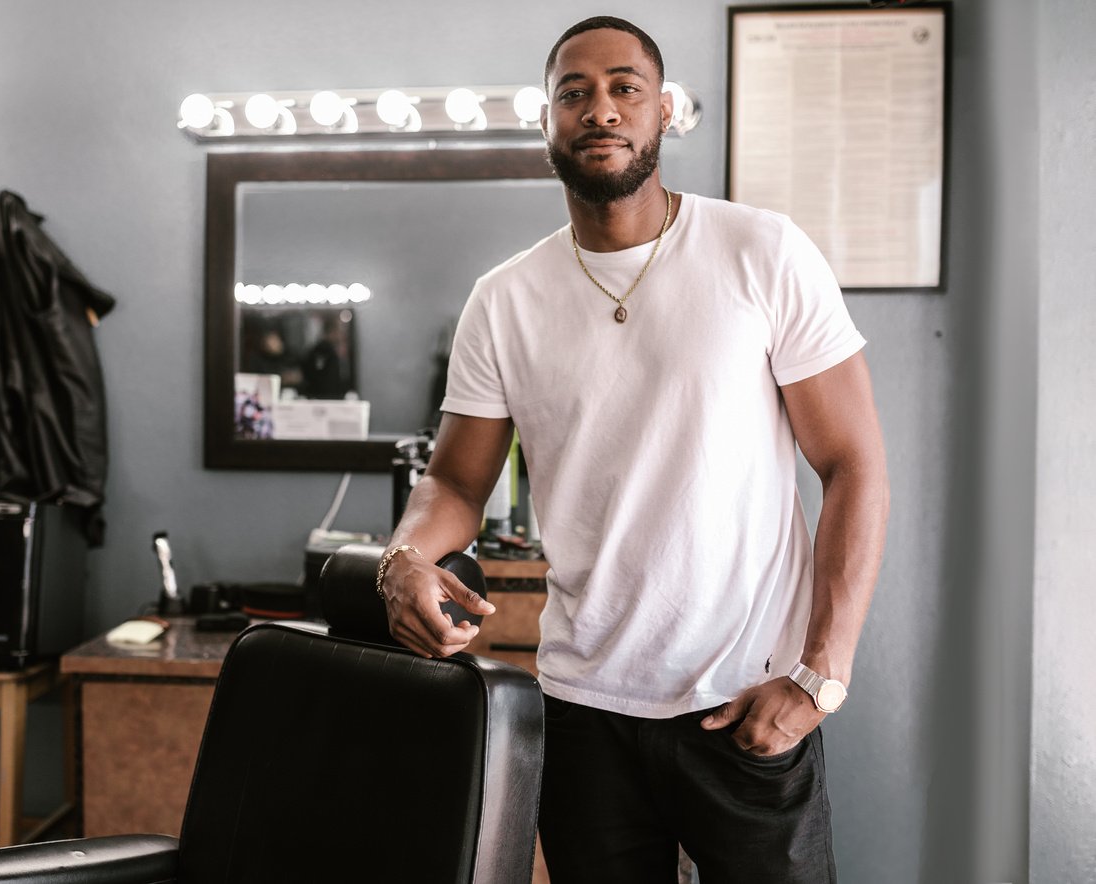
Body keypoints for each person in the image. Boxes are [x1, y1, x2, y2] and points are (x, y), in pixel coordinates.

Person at [377, 15, 889, 884]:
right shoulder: (504, 300)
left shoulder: (761, 251)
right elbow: (457, 483)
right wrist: (403, 558)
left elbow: (854, 464)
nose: (600, 109)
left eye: (625, 88)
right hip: (583, 717)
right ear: (546, 122)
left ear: (665, 113)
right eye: (573, 93)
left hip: (747, 701)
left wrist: (819, 679)